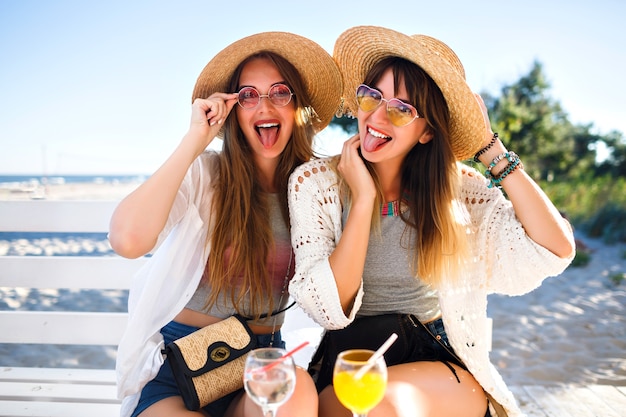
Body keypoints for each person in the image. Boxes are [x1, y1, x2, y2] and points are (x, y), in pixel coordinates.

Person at [287, 26, 575, 417]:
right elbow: (328, 307)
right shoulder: (315, 184)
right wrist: (363, 199)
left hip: (436, 358)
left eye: (402, 110)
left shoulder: (457, 192)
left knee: (378, 405)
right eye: (372, 97)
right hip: (351, 358)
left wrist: (491, 150)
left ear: (426, 132)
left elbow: (555, 249)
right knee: (335, 406)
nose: (377, 116)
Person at [109, 31, 342, 417]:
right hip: (177, 368)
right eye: (248, 95)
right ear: (233, 109)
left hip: (261, 363)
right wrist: (195, 139)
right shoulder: (207, 174)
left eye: (280, 92)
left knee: (297, 391)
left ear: (299, 106)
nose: (264, 106)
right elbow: (127, 239)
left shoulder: (318, 187)